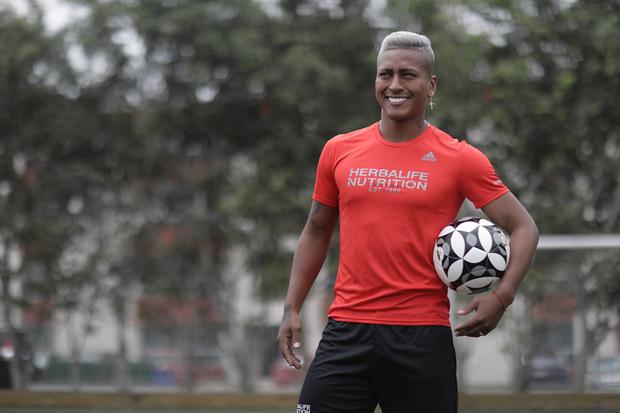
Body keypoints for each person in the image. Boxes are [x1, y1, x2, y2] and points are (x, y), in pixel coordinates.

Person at [276, 31, 539, 413]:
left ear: (431, 85)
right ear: (376, 82)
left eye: (408, 75)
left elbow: (524, 227)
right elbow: (316, 230)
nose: (395, 84)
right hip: (346, 331)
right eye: (386, 74)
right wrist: (291, 307)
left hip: (420, 338)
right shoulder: (339, 150)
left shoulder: (460, 158)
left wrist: (502, 296)